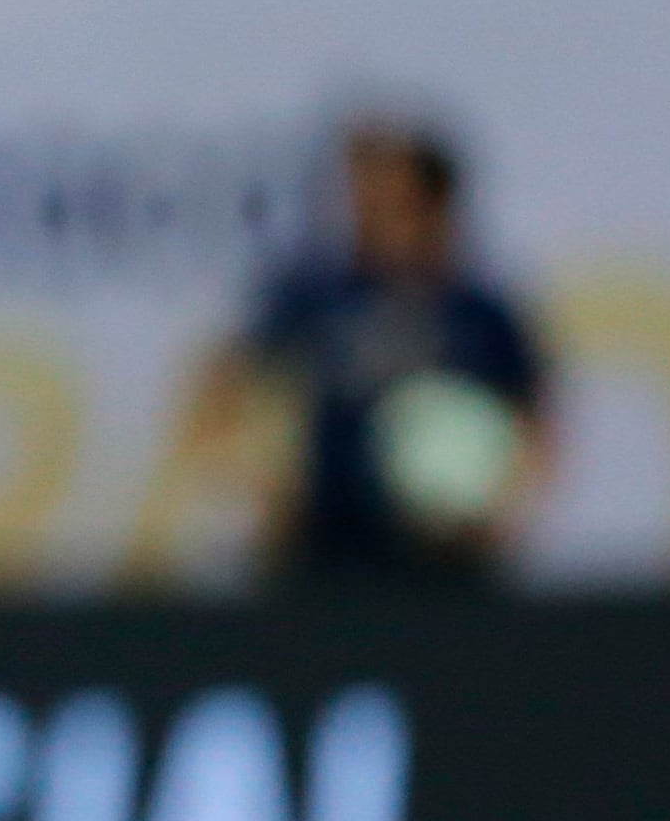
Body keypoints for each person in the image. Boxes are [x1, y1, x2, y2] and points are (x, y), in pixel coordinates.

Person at [211, 116, 556, 584]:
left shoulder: (480, 315)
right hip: (320, 554)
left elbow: (535, 422)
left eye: (397, 201)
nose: (372, 214)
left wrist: (499, 513)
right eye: (366, 198)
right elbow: (234, 390)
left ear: (436, 207)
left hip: (447, 563)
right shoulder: (312, 298)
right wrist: (263, 486)